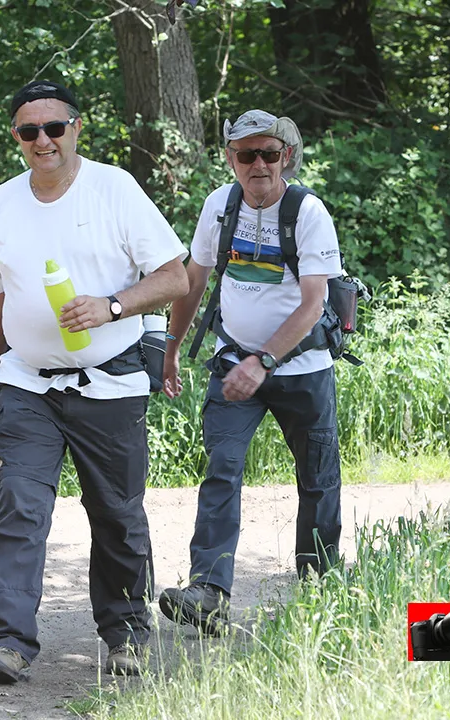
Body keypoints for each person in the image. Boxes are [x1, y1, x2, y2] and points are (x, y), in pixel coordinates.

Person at [0, 80, 189, 683]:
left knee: (117, 514)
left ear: (76, 128)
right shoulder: (1, 203)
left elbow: (174, 278)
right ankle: (8, 643)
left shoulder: (114, 188)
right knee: (19, 505)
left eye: (54, 128)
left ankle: (125, 635)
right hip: (26, 386)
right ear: (16, 138)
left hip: (111, 384)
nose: (43, 140)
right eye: (28, 131)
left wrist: (112, 307)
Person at [157, 110, 343, 635]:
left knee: (318, 480)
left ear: (286, 155)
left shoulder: (307, 211)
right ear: (230, 159)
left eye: (269, 153)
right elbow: (194, 279)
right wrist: (171, 346)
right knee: (222, 468)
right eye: (246, 154)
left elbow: (312, 304)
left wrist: (264, 362)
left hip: (302, 369)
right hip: (232, 360)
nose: (258, 164)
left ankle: (319, 591)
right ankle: (209, 592)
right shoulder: (221, 205)